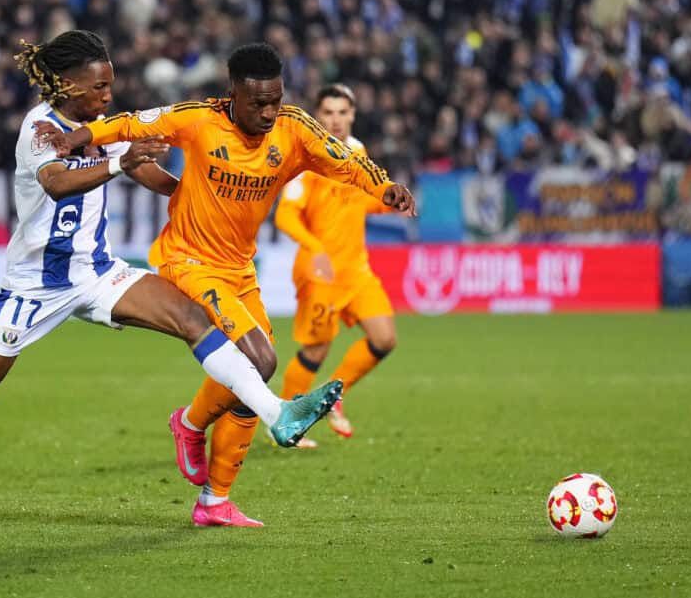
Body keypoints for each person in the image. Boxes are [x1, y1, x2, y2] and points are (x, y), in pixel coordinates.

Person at [0, 31, 341, 516]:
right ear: (69, 84)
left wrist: (190, 194)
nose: (107, 94)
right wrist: (121, 165)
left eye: (110, 84)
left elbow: (139, 166)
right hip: (35, 286)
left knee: (192, 317)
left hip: (97, 274)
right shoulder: (39, 130)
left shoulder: (100, 127)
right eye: (99, 86)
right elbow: (55, 183)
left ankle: (278, 415)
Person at [41, 43, 416, 527]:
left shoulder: (295, 129)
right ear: (231, 94)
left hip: (240, 268)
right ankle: (194, 424)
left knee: (253, 371)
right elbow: (132, 122)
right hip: (188, 260)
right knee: (260, 359)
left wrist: (383, 186)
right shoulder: (198, 119)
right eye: (257, 102)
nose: (267, 112)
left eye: (275, 101)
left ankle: (213, 498)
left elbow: (346, 160)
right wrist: (79, 137)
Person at [274, 84, 399, 447]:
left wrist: (389, 199)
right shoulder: (304, 158)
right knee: (316, 350)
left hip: (356, 269)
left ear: (353, 114)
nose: (336, 119)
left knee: (384, 338)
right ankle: (287, 420)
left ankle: (334, 397)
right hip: (319, 272)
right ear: (317, 115)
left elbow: (363, 200)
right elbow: (285, 215)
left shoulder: (358, 151)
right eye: (328, 112)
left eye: (343, 112)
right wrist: (315, 248)